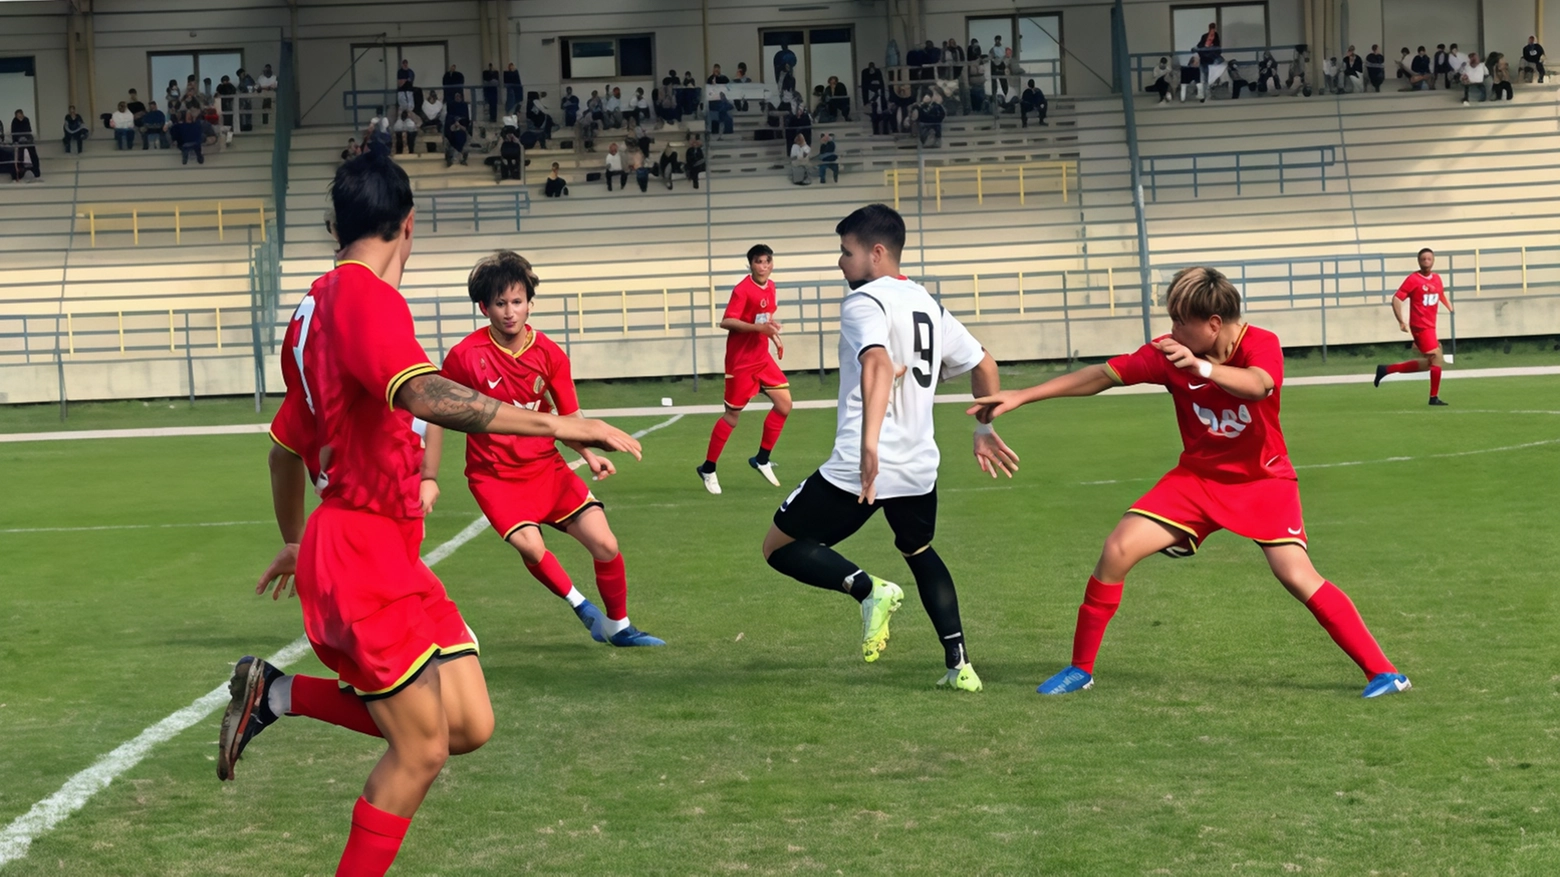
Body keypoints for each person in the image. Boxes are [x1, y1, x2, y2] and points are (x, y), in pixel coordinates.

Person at [219, 153, 641, 876]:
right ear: (408, 226)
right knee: (419, 751)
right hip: (362, 547)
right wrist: (565, 427)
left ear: (335, 225)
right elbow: (428, 397)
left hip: (372, 547)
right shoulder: (369, 299)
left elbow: (284, 449)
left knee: (469, 724)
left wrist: (299, 541)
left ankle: (276, 691)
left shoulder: (309, 315)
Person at [969, 266, 1410, 699]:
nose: (1173, 328)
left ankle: (1385, 673)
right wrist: (1023, 396)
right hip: (1197, 478)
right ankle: (1080, 669)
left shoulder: (1260, 343)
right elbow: (1101, 376)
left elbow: (1259, 385)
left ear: (1214, 324)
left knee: (1295, 575)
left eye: (1181, 320)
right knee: (1117, 549)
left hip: (1263, 480)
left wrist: (1202, 369)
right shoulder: (1168, 352)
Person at [763, 204, 1017, 693]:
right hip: (919, 467)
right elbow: (984, 363)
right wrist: (983, 428)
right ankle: (959, 665)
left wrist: (869, 444)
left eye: (846, 251)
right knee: (919, 550)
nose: (840, 262)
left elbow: (877, 363)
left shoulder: (864, 303)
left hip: (862, 469)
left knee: (779, 547)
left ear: (876, 254)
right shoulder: (927, 304)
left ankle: (869, 590)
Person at [422, 251, 661, 647]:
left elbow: (570, 418)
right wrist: (428, 475)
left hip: (546, 469)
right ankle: (584, 610)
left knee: (606, 543)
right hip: (494, 476)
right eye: (500, 303)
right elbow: (433, 408)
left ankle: (619, 627)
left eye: (517, 302)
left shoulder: (549, 354)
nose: (510, 312)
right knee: (531, 546)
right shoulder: (465, 357)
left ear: (530, 303)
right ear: (484, 308)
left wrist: (589, 454)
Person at [697, 245, 793, 493]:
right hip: (740, 363)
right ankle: (708, 468)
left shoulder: (771, 287)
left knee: (784, 405)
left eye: (768, 261)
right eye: (759, 261)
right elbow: (726, 321)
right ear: (751, 264)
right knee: (732, 417)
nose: (764, 266)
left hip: (762, 358)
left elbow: (764, 320)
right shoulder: (742, 290)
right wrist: (759, 329)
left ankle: (761, 459)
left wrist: (775, 337)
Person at [1374, 248, 1455, 405]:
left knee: (1432, 363)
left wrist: (1449, 306)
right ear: (1419, 261)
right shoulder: (1413, 279)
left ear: (1433, 260)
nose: (1426, 261)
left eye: (1429, 258)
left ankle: (1386, 369)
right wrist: (1401, 321)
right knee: (1437, 357)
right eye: (1423, 258)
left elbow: (1440, 294)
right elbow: (1397, 299)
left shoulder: (1437, 278)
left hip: (1431, 326)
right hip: (1420, 326)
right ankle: (1433, 398)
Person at [9, 109, 39, 180]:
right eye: (17, 116)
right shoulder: (14, 121)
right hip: (19, 140)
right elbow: (13, 132)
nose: (19, 117)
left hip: (28, 139)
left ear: (22, 114)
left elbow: (28, 130)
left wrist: (26, 139)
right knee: (19, 156)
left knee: (33, 155)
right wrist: (17, 140)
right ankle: (19, 174)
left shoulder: (26, 120)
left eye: (20, 115)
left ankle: (36, 172)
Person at [1195, 22, 1221, 94]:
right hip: (1204, 60)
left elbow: (1218, 48)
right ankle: (1205, 93)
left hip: (1211, 60)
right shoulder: (1204, 36)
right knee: (1204, 78)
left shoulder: (1216, 36)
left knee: (1208, 78)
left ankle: (1208, 93)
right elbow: (1199, 46)